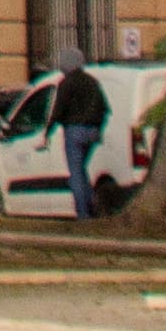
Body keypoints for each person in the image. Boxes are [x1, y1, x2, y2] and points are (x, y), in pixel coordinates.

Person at [49, 51, 108, 223]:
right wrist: (97, 127)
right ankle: (92, 204)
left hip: (74, 130)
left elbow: (58, 109)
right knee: (81, 169)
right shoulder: (92, 82)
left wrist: (47, 131)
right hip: (93, 131)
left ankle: (83, 213)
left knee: (75, 172)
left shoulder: (66, 83)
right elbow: (104, 107)